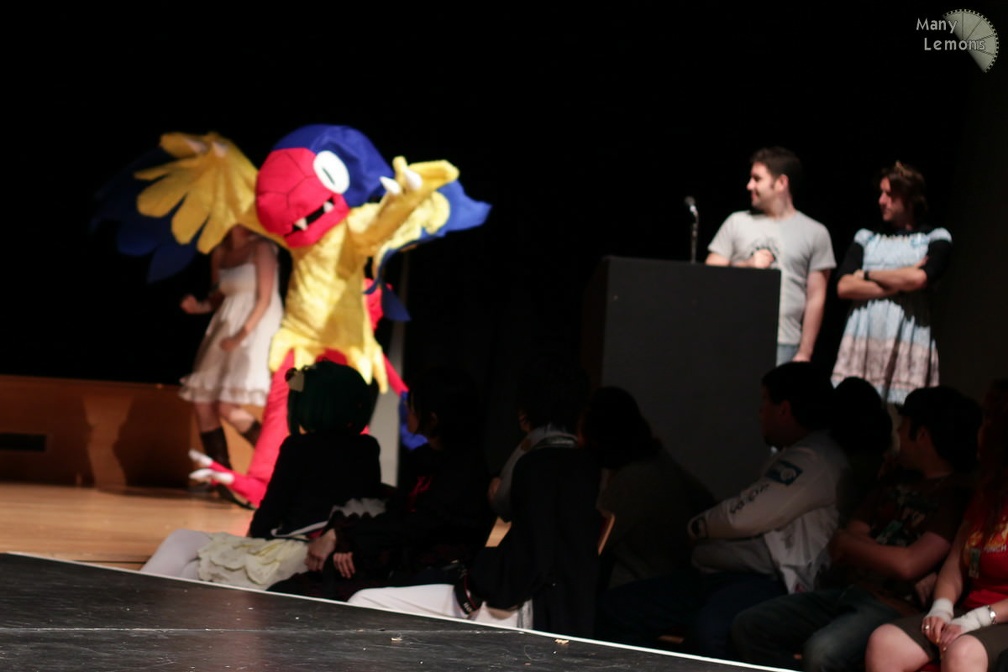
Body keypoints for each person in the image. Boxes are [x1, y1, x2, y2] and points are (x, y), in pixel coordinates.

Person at [594, 361, 850, 658]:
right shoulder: (801, 454)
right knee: (618, 608)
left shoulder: (813, 458)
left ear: (784, 409)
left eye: (764, 402)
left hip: (767, 582)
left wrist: (697, 527)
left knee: (711, 632)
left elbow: (743, 516)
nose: (760, 413)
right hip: (724, 575)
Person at [347, 351, 603, 638]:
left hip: (531, 611)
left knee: (363, 604)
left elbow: (530, 560)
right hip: (562, 610)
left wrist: (475, 587)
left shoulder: (537, 465)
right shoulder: (582, 465)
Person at [730, 384, 981, 671]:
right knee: (750, 625)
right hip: (851, 590)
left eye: (904, 426)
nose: (898, 434)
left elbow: (908, 563)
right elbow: (848, 535)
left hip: (892, 606)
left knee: (823, 651)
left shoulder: (956, 494)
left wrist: (858, 548)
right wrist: (869, 551)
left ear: (922, 434)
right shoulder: (895, 478)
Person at [139, 360, 385, 589]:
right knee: (192, 568)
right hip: (325, 552)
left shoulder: (299, 447)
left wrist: (247, 545)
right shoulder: (367, 448)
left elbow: (270, 512)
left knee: (186, 552)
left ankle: (130, 600)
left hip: (295, 554)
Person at [268, 364, 496, 602]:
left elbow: (416, 527)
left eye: (412, 405)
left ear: (432, 419)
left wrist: (344, 537)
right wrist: (348, 542)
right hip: (389, 556)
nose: (406, 409)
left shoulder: (465, 471)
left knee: (300, 593)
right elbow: (395, 516)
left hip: (424, 574)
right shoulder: (421, 457)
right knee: (292, 588)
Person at [865, 379, 1008, 672]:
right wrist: (941, 608)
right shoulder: (988, 493)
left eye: (988, 422)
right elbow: (955, 564)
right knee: (885, 642)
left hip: (998, 618)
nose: (979, 432)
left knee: (963, 652)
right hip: (969, 611)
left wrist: (978, 619)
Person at [831, 161, 952, 406]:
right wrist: (901, 281)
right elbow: (844, 286)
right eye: (881, 193)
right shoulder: (867, 238)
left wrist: (866, 274)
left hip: (907, 339)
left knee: (904, 412)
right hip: (864, 339)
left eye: (889, 194)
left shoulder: (933, 238)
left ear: (909, 197)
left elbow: (920, 279)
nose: (882, 201)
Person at [705, 147, 836, 365]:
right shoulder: (737, 222)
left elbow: (816, 297)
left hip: (784, 343)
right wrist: (747, 266)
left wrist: (805, 352)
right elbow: (708, 278)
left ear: (781, 183)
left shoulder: (815, 232)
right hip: (733, 336)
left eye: (757, 179)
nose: (749, 185)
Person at [580, 385, 716, 590]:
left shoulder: (634, 480)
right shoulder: (657, 462)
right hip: (667, 582)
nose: (579, 440)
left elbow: (590, 543)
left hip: (642, 589)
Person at [179, 224, 284, 487]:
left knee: (226, 405)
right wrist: (198, 307)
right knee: (202, 401)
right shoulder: (221, 252)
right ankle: (220, 475)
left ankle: (280, 463)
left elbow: (265, 300)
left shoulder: (262, 248)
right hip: (226, 323)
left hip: (254, 327)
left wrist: (241, 335)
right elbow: (218, 297)